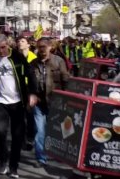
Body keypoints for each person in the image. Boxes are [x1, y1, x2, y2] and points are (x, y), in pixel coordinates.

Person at [0, 34, 37, 178]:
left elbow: (30, 74)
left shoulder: (17, 57)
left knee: (18, 136)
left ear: (8, 45)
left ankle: (14, 166)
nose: (1, 51)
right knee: (0, 132)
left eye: (3, 47)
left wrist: (32, 93)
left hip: (17, 102)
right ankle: (3, 160)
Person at [30, 38, 70, 175]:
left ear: (49, 47)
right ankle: (41, 157)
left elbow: (66, 81)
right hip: (39, 102)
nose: (41, 49)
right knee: (40, 130)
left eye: (43, 47)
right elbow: (29, 82)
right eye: (39, 47)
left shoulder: (58, 61)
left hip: (56, 101)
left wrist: (66, 100)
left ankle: (59, 154)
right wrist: (31, 95)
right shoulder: (33, 64)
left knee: (57, 130)